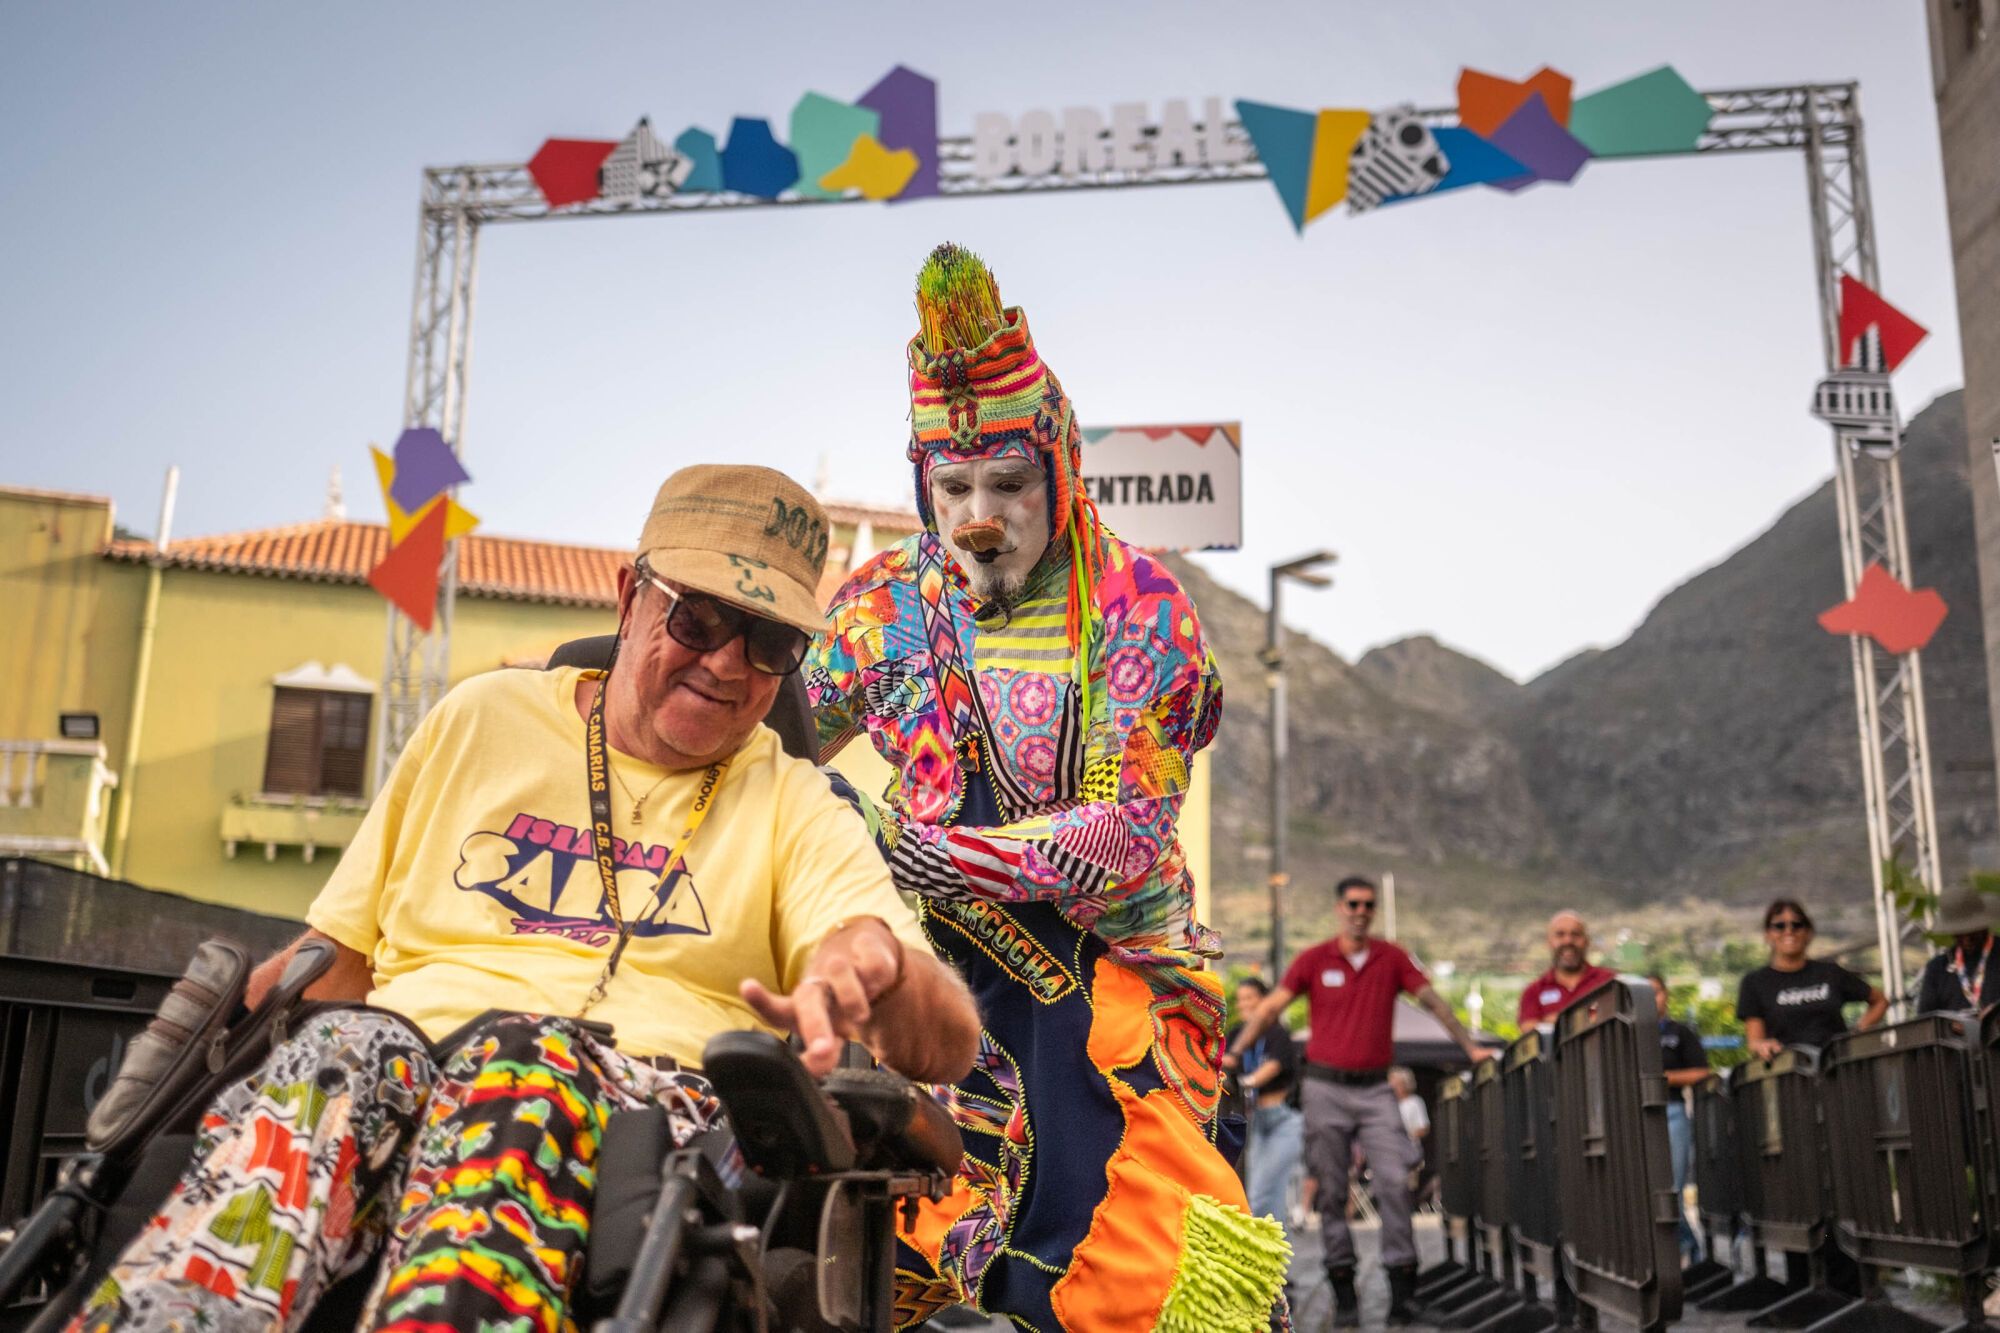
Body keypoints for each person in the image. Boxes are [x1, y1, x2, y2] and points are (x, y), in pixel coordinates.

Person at [73, 466, 980, 1333]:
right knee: (339, 1054)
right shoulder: (479, 719)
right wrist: (228, 1045)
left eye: (771, 641)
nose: (729, 664)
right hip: (407, 1055)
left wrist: (879, 965)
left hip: (637, 1104)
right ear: (631, 600)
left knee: (526, 1055)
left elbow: (948, 1038)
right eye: (698, 619)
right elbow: (334, 961)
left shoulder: (791, 798)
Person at [808, 245, 1287, 1331]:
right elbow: (785, 736)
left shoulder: (1140, 608)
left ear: (1061, 472)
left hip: (1115, 981)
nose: (979, 514)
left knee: (1136, 1271)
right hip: (941, 984)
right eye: (954, 487)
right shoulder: (883, 605)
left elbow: (1123, 833)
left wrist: (930, 852)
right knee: (910, 1248)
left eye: (1009, 484)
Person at [1230, 876, 1491, 1327]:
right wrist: (1232, 1053)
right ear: (1339, 907)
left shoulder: (1391, 958)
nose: (1361, 910)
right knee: (1330, 1192)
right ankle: (1345, 1298)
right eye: (1353, 903)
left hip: (1375, 1090)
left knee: (1394, 1182)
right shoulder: (1314, 959)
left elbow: (1433, 1002)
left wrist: (1471, 1050)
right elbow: (1271, 1007)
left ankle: (1402, 1297)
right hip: (1325, 1089)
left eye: (1368, 904)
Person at [1737, 898, 1887, 1058]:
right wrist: (1763, 1046)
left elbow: (1880, 1001)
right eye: (1779, 926)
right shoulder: (1754, 982)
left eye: (1797, 925)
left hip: (1837, 1070)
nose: (1789, 931)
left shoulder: (1831, 973)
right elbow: (1754, 1042)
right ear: (1768, 934)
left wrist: (1856, 1034)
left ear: (1808, 933)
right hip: (1787, 1074)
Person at [1228, 978, 1304, 1240]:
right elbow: (1225, 1061)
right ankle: (1276, 1268)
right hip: (1254, 1119)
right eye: (1241, 999)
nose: (1244, 1004)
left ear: (1265, 1000)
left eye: (1250, 997)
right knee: (1264, 1195)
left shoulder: (1277, 1033)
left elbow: (1269, 1069)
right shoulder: (1237, 1034)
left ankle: (1273, 1265)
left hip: (1282, 1120)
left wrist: (1245, 1080)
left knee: (1263, 1194)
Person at [1649, 973, 1710, 1265]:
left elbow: (1701, 1071)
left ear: (1666, 996)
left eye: (1656, 992)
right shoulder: (1621, 1034)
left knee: (1671, 1190)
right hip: (1631, 1119)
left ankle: (1693, 1252)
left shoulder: (1679, 1032)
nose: (1651, 999)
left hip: (1671, 1113)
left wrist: (1663, 1079)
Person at [1516, 910, 1618, 1027]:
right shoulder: (1533, 992)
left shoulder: (1611, 981)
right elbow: (1530, 1033)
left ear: (1586, 941)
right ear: (1549, 942)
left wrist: (1556, 1022)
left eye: (1575, 934)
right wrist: (1589, 1017)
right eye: (1560, 934)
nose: (1568, 941)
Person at [1916, 880, 2000, 1015]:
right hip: (1954, 1036)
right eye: (1959, 933)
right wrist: (1951, 1026)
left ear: (1984, 924)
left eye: (1971, 930)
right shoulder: (1938, 968)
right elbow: (1925, 1023)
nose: (1966, 939)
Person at [1388, 1067, 1430, 1201]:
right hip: (1390, 1150)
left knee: (1406, 1186)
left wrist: (1406, 1137)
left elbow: (1423, 1127)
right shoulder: (1389, 1104)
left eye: (1395, 1083)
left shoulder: (1414, 1102)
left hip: (1407, 1151)